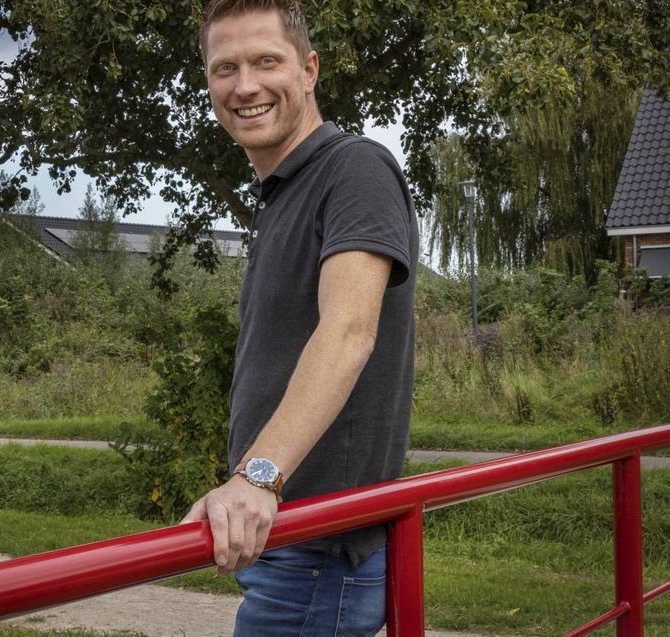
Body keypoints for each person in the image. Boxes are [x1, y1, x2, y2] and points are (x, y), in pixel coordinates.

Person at [180, 1, 418, 635]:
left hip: (319, 553)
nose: (245, 85)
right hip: (290, 545)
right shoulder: (280, 194)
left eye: (266, 61)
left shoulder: (355, 169)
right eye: (224, 67)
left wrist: (257, 478)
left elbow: (348, 332)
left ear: (309, 70)